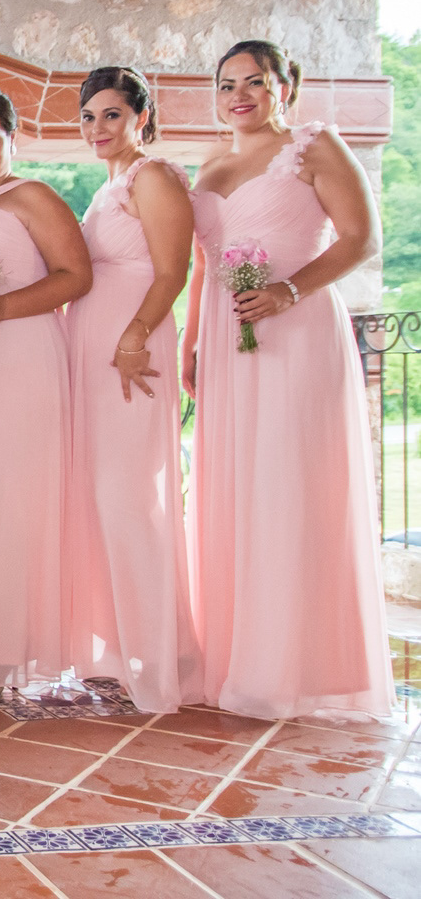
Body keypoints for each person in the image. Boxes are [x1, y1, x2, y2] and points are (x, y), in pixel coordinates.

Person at [185, 40, 392, 718]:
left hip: (294, 331)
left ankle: (294, 667)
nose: (239, 94)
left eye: (255, 82)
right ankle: (238, 657)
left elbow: (362, 237)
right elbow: (199, 262)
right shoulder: (210, 162)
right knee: (237, 487)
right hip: (224, 334)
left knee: (287, 484)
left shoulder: (313, 145)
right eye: (226, 84)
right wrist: (191, 341)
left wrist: (289, 292)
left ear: (285, 86)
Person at [0, 86, 91, 695]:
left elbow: (77, 276)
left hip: (23, 361)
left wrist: (4, 305)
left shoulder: (32, 195)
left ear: (12, 139)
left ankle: (19, 643)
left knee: (16, 496)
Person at [64, 67, 202, 714]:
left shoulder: (153, 176)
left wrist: (135, 334)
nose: (98, 128)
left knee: (129, 499)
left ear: (141, 117)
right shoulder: (109, 187)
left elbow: (174, 269)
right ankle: (118, 648)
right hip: (94, 359)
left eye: (111, 115)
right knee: (100, 498)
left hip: (133, 354)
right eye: (88, 117)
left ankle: (162, 653)